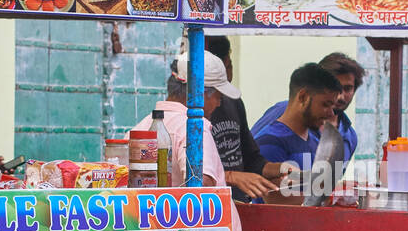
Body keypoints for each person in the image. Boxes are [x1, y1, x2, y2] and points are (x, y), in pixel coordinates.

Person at [204, 37, 289, 201]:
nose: (229, 75)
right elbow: (193, 175)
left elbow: (252, 160)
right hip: (209, 210)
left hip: (239, 206)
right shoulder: (185, 119)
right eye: (227, 67)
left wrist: (282, 169)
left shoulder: (234, 103)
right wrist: (232, 177)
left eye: (229, 67)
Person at [131, 53, 231, 189]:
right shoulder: (194, 129)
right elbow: (202, 186)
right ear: (199, 93)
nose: (219, 104)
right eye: (218, 97)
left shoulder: (138, 129)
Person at [252, 52, 364, 162]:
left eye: (348, 88)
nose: (340, 96)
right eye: (334, 87)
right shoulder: (285, 111)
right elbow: (251, 152)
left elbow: (325, 179)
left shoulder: (350, 137)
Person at [254, 63, 342, 168]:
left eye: (332, 107)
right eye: (325, 104)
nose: (331, 113)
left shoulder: (316, 142)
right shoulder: (269, 143)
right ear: (303, 97)